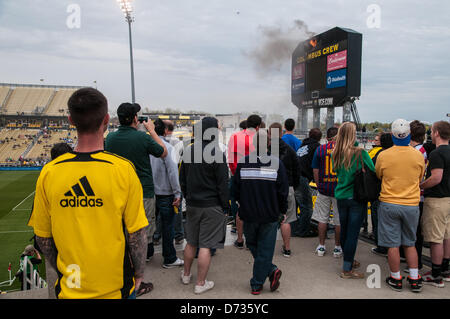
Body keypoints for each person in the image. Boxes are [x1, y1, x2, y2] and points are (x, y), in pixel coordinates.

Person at [29, 88, 151, 299]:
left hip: (70, 288)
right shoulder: (122, 169)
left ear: (70, 120)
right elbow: (137, 234)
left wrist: (62, 270)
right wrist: (139, 273)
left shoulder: (50, 172)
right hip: (116, 288)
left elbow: (43, 237)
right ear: (105, 120)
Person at [105, 103, 168, 261]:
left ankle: (127, 258)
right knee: (143, 229)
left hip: (119, 191)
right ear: (135, 118)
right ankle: (141, 260)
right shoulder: (142, 137)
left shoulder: (110, 138)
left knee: (124, 227)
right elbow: (163, 152)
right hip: (142, 191)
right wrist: (152, 131)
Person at [234, 129, 289, 295]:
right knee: (264, 248)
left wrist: (239, 205)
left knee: (252, 244)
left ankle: (257, 283)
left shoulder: (243, 163)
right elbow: (283, 191)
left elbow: (235, 188)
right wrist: (282, 211)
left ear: (253, 144)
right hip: (270, 214)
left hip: (249, 213)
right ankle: (270, 270)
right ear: (269, 144)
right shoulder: (277, 163)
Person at [179, 117, 229, 294]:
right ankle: (200, 283)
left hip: (192, 204)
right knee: (206, 245)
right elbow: (223, 184)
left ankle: (186, 275)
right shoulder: (217, 153)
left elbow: (182, 180)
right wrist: (225, 207)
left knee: (191, 241)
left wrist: (188, 197)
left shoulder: (188, 151)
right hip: (212, 205)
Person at [376, 119, 425, 293]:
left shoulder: (384, 155)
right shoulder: (418, 155)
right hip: (411, 204)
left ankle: (396, 278)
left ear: (392, 134)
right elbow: (420, 179)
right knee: (410, 243)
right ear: (409, 135)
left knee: (393, 244)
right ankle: (414, 277)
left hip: (389, 202)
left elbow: (379, 174)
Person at [332, 122, 375, 279]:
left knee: (344, 230)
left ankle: (348, 260)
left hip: (341, 195)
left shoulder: (335, 152)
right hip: (356, 196)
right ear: (353, 135)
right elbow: (373, 170)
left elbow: (337, 171)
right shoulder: (360, 152)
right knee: (352, 233)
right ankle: (347, 268)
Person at [150, 119, 184, 269]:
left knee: (149, 225)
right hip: (165, 192)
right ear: (165, 131)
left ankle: (147, 253)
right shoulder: (168, 148)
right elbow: (172, 172)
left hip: (150, 192)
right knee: (168, 226)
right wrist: (177, 193)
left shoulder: (146, 147)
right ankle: (169, 258)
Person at [420, 120, 450, 287]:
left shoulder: (437, 154)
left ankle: (436, 273)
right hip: (449, 198)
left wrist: (420, 186)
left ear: (437, 133)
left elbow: (436, 178)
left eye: (432, 131)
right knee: (447, 235)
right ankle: (445, 269)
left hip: (437, 200)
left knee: (435, 238)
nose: (431, 134)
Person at [227, 114, 261, 249]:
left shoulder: (234, 136)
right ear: (258, 126)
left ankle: (240, 239)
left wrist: (236, 174)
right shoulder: (260, 138)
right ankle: (253, 240)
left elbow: (230, 159)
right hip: (257, 177)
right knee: (257, 207)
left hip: (238, 175)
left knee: (239, 207)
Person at [268, 123, 300, 257]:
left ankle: (266, 247)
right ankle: (287, 249)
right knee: (285, 220)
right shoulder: (290, 150)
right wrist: (294, 186)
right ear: (282, 133)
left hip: (269, 188)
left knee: (268, 220)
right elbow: (297, 171)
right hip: (288, 187)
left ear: (270, 134)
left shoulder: (266, 150)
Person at [311, 127, 342, 258]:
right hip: (339, 189)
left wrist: (319, 185)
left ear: (327, 137)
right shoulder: (343, 150)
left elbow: (315, 170)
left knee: (322, 219)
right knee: (338, 221)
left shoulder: (320, 149)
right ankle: (337, 247)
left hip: (324, 188)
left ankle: (321, 246)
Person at [292, 128, 322, 237]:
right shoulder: (316, 147)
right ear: (319, 138)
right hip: (302, 177)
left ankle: (293, 228)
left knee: (295, 203)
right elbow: (317, 166)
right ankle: (303, 231)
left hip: (294, 177)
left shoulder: (303, 145)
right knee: (307, 206)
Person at [370, 133, 393, 257]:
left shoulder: (380, 155)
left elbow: (374, 171)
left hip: (380, 192)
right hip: (397, 195)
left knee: (378, 218)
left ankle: (381, 245)